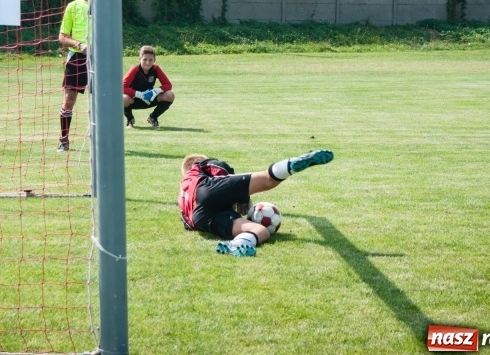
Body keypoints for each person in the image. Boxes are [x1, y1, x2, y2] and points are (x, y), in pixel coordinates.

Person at [179, 149, 334, 257]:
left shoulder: (182, 191)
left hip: (199, 218)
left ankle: (236, 245)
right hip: (205, 189)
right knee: (268, 180)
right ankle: (292, 165)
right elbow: (222, 168)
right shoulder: (198, 166)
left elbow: (187, 222)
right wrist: (242, 196)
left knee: (261, 231)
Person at [57, 0, 91, 152]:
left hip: (100, 60)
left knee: (103, 101)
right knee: (69, 101)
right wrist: (79, 45)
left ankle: (100, 141)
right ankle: (64, 140)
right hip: (77, 59)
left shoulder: (104, 5)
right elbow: (62, 37)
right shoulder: (73, 6)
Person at [123, 45, 175, 129]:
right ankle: (130, 120)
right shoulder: (134, 69)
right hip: (134, 99)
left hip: (149, 98)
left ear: (154, 60)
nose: (147, 62)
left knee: (170, 95)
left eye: (151, 60)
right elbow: (121, 87)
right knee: (123, 98)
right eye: (144, 59)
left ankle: (153, 117)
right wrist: (139, 94)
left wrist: (156, 91)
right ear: (139, 59)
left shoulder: (156, 68)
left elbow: (168, 85)